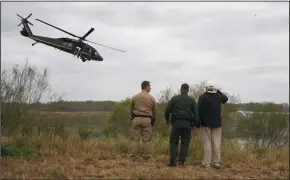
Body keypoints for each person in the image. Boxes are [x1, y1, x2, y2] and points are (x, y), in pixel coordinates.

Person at [164, 83, 199, 167]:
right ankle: (181, 162)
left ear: (180, 89)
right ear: (188, 90)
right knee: (185, 142)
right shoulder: (191, 100)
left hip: (176, 123)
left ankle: (173, 161)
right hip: (187, 124)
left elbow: (167, 111)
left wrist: (167, 120)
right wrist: (194, 124)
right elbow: (196, 113)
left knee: (173, 142)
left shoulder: (174, 99)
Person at [197, 83, 228, 169]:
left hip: (205, 123)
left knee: (207, 142)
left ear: (206, 88)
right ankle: (216, 162)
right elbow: (225, 99)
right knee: (216, 143)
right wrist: (218, 90)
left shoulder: (202, 96)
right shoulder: (218, 96)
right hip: (217, 123)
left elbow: (198, 109)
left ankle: (207, 163)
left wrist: (197, 122)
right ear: (213, 88)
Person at [129, 81, 157, 162]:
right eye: (150, 86)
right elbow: (154, 111)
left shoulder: (135, 97)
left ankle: (133, 157)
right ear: (147, 87)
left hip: (136, 119)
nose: (150, 88)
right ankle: (146, 158)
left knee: (135, 140)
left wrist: (132, 117)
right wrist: (152, 120)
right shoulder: (151, 98)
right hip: (147, 120)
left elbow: (131, 110)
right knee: (147, 140)